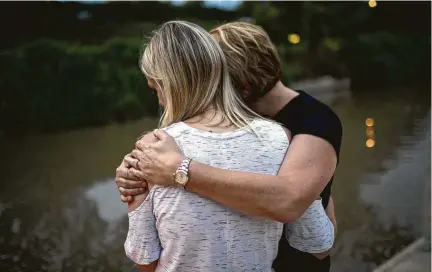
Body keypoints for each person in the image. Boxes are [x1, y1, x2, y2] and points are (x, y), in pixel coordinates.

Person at [118, 22, 342, 271]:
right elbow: (318, 242)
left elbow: (145, 260)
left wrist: (179, 169)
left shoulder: (313, 123)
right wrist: (131, 174)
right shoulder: (279, 138)